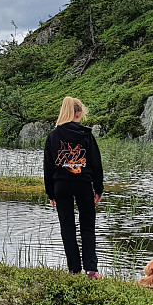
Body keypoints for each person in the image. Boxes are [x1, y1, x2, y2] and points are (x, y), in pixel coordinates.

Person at [44, 97, 104, 278]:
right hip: (83, 184)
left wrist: (50, 192)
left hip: (61, 185)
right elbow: (96, 163)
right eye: (82, 114)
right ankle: (91, 270)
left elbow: (48, 166)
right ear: (78, 113)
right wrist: (99, 188)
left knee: (67, 227)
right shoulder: (86, 135)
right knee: (87, 226)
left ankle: (74, 270)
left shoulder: (53, 136)